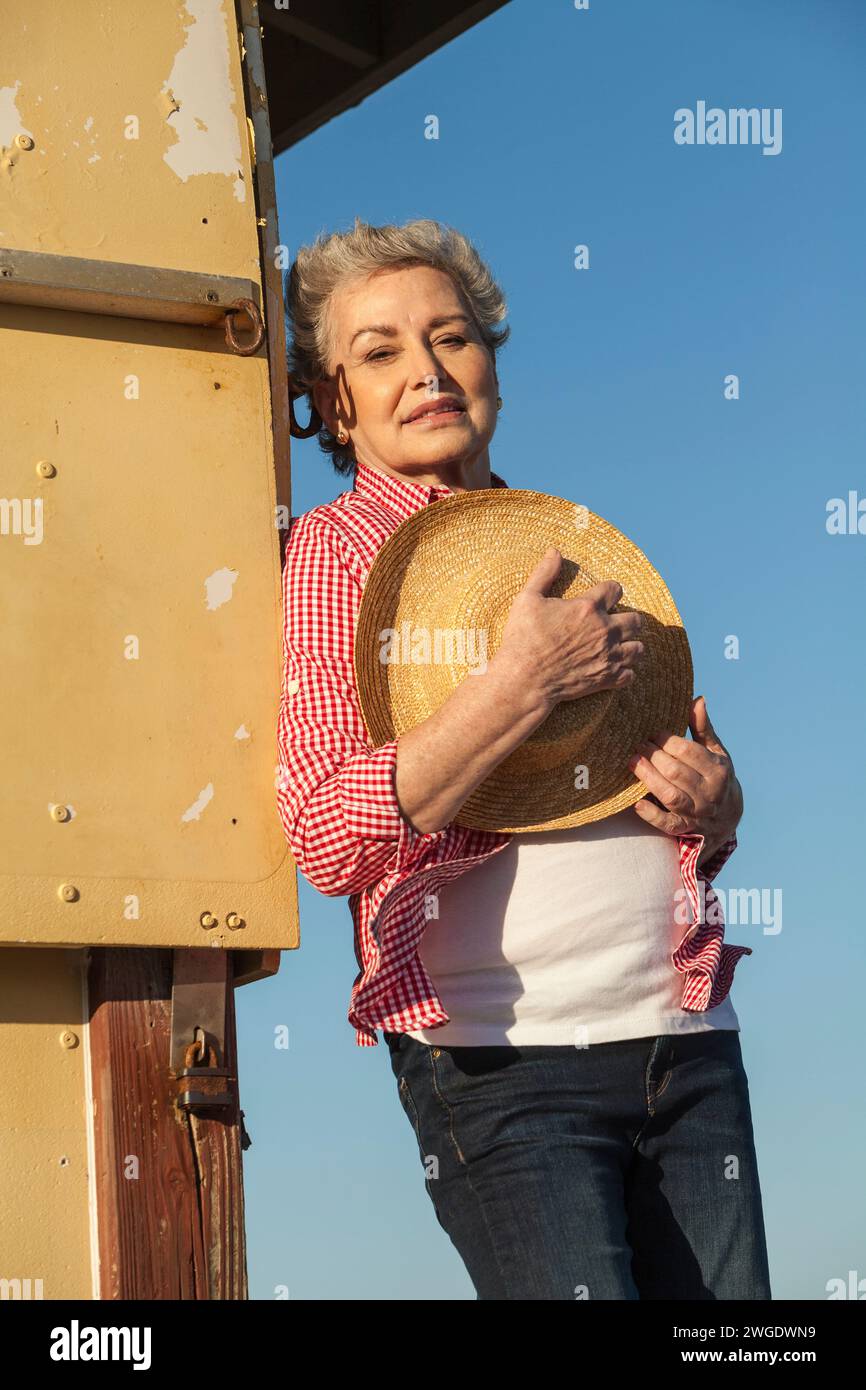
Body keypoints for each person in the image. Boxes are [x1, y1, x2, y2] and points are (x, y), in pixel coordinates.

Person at [277, 216, 771, 1300]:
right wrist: (518, 687)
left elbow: (660, 777)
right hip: (503, 1068)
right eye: (380, 351)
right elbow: (323, 832)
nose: (427, 371)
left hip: (682, 1038)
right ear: (329, 399)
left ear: (490, 356)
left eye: (452, 337)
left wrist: (715, 803)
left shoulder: (566, 537)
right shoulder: (327, 554)